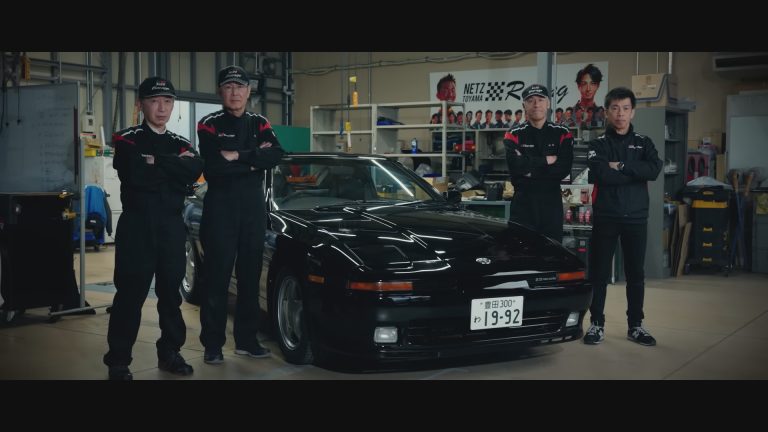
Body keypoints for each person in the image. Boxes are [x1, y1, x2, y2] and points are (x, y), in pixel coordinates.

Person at [104, 77, 204, 380]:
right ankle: (119, 360)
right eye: (154, 101)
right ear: (141, 104)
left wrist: (155, 161)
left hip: (171, 226)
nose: (162, 108)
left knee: (171, 294)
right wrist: (173, 167)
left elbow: (194, 169)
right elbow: (136, 175)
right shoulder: (126, 139)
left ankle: (170, 352)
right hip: (137, 226)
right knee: (130, 294)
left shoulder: (181, 142)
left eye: (168, 101)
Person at [197, 66, 285, 364]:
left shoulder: (260, 122)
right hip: (220, 210)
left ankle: (247, 341)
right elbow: (213, 166)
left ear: (249, 92)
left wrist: (237, 155)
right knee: (217, 279)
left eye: (240, 87)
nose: (234, 93)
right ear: (220, 92)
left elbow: (276, 155)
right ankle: (212, 345)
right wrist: (254, 160)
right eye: (228, 87)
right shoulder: (209, 123)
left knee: (250, 278)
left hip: (252, 211)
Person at [584, 86, 662, 346]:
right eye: (615, 108)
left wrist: (621, 166)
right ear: (607, 112)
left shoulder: (644, 142)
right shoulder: (598, 144)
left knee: (635, 274)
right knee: (599, 273)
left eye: (625, 108)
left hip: (636, 218)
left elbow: (653, 169)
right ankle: (596, 324)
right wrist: (634, 172)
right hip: (606, 216)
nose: (620, 114)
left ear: (633, 112)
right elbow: (599, 174)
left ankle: (636, 326)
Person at [503, 84, 573, 242]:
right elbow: (515, 167)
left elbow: (563, 169)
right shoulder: (513, 134)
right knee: (520, 253)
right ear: (524, 106)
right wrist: (547, 160)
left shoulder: (562, 133)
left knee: (551, 253)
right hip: (523, 206)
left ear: (548, 103)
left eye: (540, 100)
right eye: (531, 100)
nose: (536, 104)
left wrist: (529, 169)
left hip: (551, 206)